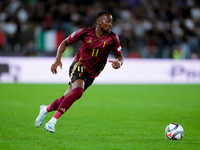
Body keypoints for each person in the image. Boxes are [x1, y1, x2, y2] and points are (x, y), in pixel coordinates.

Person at [35, 11, 124, 133]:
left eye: (111, 22)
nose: (110, 24)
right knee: (78, 92)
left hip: (92, 74)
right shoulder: (85, 32)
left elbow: (120, 56)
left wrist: (119, 62)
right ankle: (52, 122)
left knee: (66, 98)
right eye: (107, 21)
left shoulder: (113, 38)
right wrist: (57, 60)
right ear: (99, 22)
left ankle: (45, 109)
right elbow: (65, 42)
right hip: (79, 65)